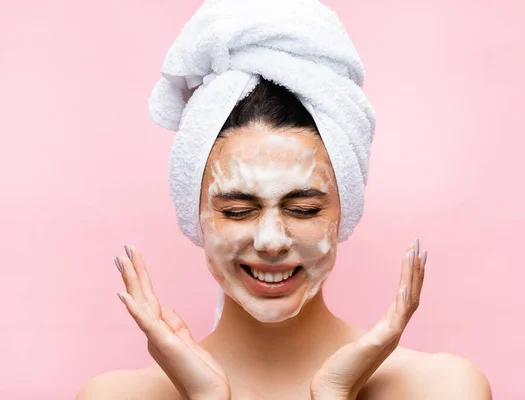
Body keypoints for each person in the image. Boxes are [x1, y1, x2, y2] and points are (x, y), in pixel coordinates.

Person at [77, 1, 492, 398]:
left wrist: (335, 394)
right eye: (238, 210)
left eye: (303, 209)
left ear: (344, 210)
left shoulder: (442, 389)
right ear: (196, 214)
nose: (271, 241)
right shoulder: (116, 396)